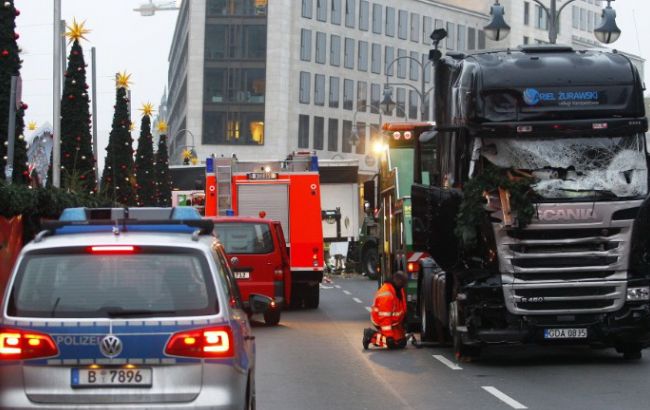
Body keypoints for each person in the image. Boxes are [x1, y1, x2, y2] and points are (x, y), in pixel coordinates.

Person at [363, 271, 408, 350]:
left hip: (394, 322)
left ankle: (389, 337)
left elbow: (402, 306)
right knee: (393, 344)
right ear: (398, 281)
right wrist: (389, 336)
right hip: (382, 321)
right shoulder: (386, 295)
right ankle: (370, 336)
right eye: (403, 283)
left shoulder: (398, 288)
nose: (404, 285)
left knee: (401, 343)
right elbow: (385, 318)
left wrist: (404, 321)